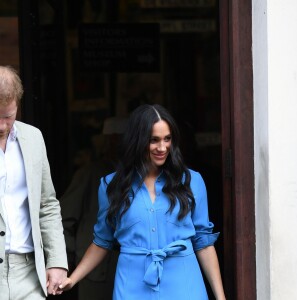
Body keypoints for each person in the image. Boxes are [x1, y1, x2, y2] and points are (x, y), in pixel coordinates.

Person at [59, 104, 226, 300]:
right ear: (137, 140)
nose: (162, 147)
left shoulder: (191, 181)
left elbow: (204, 243)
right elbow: (102, 241)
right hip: (131, 285)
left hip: (184, 284)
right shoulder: (111, 186)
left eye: (167, 139)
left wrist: (220, 297)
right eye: (153, 140)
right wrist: (73, 278)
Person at [0, 65, 68, 299]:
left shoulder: (33, 138)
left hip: (28, 270)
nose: (2, 125)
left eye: (8, 116)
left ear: (18, 105)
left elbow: (47, 204)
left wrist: (57, 260)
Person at [60, 116, 127, 300]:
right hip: (95, 272)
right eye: (116, 138)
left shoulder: (137, 174)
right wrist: (70, 260)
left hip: (128, 268)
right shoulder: (90, 174)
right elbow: (63, 218)